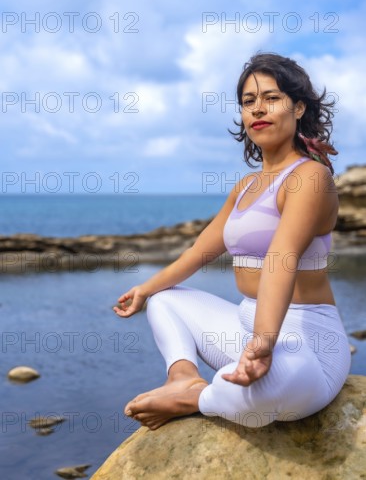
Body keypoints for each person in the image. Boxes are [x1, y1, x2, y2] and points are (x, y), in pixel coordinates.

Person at [113, 52, 351, 431]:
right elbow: (198, 252)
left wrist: (264, 341)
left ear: (299, 107)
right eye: (248, 101)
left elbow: (281, 258)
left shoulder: (310, 178)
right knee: (166, 300)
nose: (258, 109)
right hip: (245, 326)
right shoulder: (245, 188)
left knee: (278, 385)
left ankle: (198, 399)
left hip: (308, 342)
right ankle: (183, 378)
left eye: (272, 98)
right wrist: (144, 288)